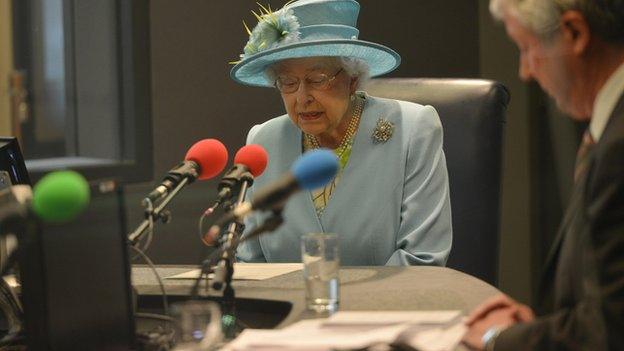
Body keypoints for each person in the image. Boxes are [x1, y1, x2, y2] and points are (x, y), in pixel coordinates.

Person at [229, 0, 452, 266]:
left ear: (352, 78)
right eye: (288, 82)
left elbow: (422, 258)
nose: (302, 98)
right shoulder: (262, 141)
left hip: (385, 306)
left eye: (317, 79)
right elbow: (249, 263)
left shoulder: (413, 129)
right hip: (286, 307)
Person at [463, 0, 624, 350]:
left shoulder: (618, 149)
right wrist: (543, 330)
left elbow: (609, 332)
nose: (525, 72)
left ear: (575, 33)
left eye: (527, 48)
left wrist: (499, 339)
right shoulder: (610, 134)